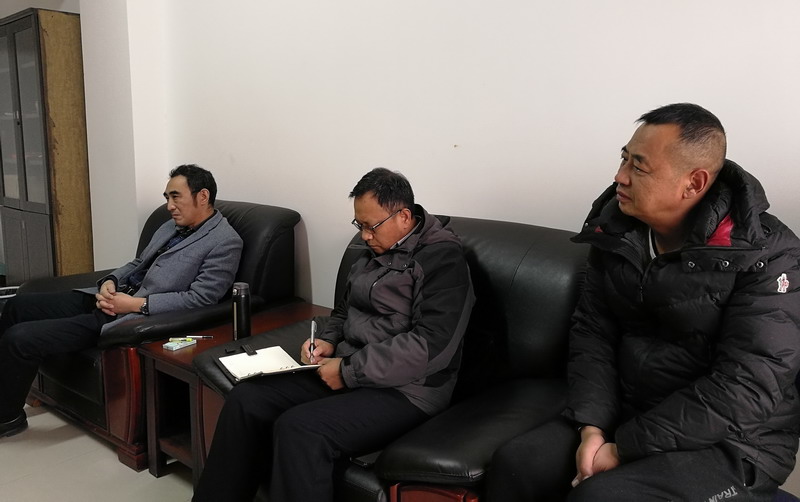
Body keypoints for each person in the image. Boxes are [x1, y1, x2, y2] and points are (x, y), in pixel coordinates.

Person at [486, 103, 800, 501]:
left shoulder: (768, 255)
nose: (620, 176)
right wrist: (592, 428)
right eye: (624, 158)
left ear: (694, 183)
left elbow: (747, 387)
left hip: (736, 444)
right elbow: (593, 333)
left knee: (601, 497)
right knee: (518, 464)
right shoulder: (617, 232)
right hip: (630, 415)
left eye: (639, 166)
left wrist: (624, 448)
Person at [193, 167, 475, 502]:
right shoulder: (374, 250)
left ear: (403, 216)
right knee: (247, 398)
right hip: (351, 368)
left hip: (408, 390)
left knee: (300, 429)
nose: (364, 236)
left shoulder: (442, 259)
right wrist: (327, 340)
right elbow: (344, 310)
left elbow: (431, 346)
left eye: (371, 226)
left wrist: (348, 371)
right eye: (359, 225)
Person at [0, 164, 243, 438]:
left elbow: (202, 299)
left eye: (176, 197)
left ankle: (7, 418)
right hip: (109, 298)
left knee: (20, 338)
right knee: (17, 306)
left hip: (128, 316)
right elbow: (138, 263)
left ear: (203, 196)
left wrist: (135, 305)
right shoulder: (170, 226)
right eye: (167, 198)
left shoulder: (225, 242)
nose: (169, 206)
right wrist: (110, 281)